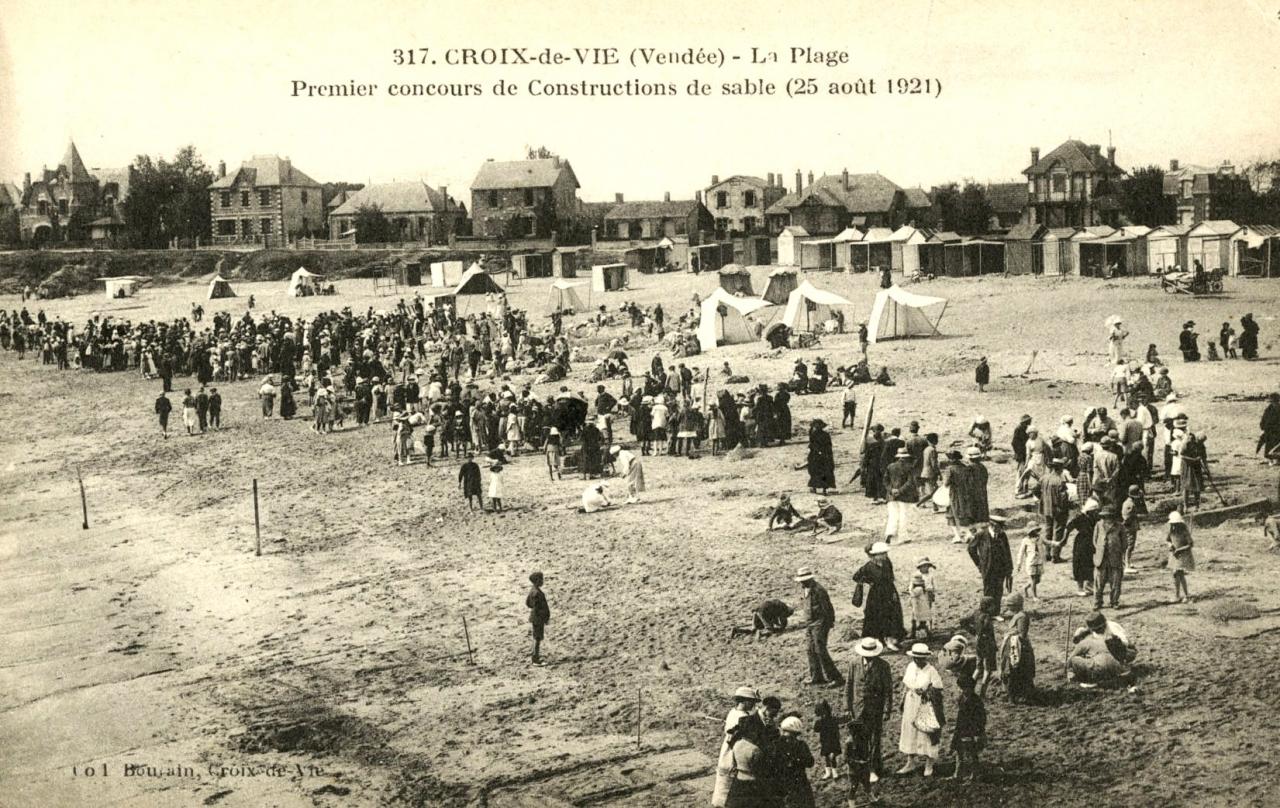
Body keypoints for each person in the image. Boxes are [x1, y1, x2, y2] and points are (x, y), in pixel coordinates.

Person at [843, 636, 893, 786]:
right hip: (858, 708)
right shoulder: (854, 664)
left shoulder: (883, 666)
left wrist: (887, 710)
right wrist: (847, 707)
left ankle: (874, 769)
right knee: (858, 739)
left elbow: (888, 690)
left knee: (874, 740)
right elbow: (849, 686)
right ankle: (860, 767)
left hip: (875, 709)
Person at [896, 643, 946, 777]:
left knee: (926, 732)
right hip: (911, 703)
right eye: (915, 658)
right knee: (910, 731)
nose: (917, 661)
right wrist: (902, 700)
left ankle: (929, 763)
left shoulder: (931, 671)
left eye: (921, 658)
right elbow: (906, 685)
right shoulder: (911, 667)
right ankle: (910, 761)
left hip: (925, 704)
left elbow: (938, 689)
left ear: (925, 658)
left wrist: (926, 692)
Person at [713, 686, 766, 808]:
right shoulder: (740, 717)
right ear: (743, 701)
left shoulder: (734, 712)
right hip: (735, 750)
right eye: (751, 702)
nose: (753, 704)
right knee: (730, 783)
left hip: (733, 748)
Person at [795, 567, 843, 687]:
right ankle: (816, 676)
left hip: (820, 623)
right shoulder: (806, 589)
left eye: (803, 580)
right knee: (810, 650)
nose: (801, 583)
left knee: (820, 650)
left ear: (809, 579)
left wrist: (828, 623)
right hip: (810, 624)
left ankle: (835, 677)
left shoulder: (819, 590)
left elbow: (827, 608)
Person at [852, 542, 905, 650]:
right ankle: (878, 640)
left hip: (889, 592)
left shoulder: (887, 562)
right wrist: (869, 582)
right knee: (877, 617)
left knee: (892, 616)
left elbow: (891, 577)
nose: (885, 555)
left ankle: (891, 639)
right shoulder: (868, 567)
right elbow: (856, 577)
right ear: (875, 555)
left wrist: (894, 593)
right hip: (876, 595)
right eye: (882, 553)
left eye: (885, 553)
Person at [1068, 612, 1135, 688]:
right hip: (1120, 664)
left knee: (1076, 659)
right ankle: (1122, 669)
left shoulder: (1113, 629)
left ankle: (1089, 680)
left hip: (1122, 652)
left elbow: (1126, 644)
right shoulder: (1100, 629)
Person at [948, 672, 986, 782]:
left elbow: (981, 718)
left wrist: (978, 732)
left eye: (965, 688)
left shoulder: (976, 701)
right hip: (961, 729)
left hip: (971, 730)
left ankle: (974, 775)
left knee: (972, 754)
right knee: (959, 753)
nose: (963, 691)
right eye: (962, 688)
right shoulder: (962, 698)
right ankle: (957, 774)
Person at [998, 592, 1036, 704]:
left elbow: (1022, 634)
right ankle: (1014, 694)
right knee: (1010, 670)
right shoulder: (1017, 615)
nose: (1007, 608)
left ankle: (1018, 695)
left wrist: (1011, 634)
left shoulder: (1022, 617)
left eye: (1009, 605)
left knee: (1016, 670)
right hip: (1012, 646)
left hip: (1018, 648)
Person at [1065, 498, 1101, 596]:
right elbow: (1068, 528)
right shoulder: (1080, 518)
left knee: (1090, 563)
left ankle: (1089, 585)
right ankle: (1080, 588)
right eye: (1095, 511)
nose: (1096, 512)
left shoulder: (1095, 518)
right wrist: (1063, 540)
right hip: (1081, 543)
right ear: (1089, 511)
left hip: (1091, 543)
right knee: (1079, 565)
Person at [777, 716, 816, 807]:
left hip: (784, 782)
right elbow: (810, 762)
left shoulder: (776, 744)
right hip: (799, 781)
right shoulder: (801, 745)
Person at [1093, 506, 1126, 609]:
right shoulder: (1098, 525)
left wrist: (1117, 550)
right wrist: (1100, 550)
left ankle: (1114, 601)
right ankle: (1097, 602)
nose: (1107, 518)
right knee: (1099, 582)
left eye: (1109, 516)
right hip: (1101, 558)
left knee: (1115, 581)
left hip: (1115, 557)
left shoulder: (1119, 526)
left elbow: (1124, 543)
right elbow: (1094, 540)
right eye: (1105, 516)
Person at [844, 715, 880, 806]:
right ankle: (851, 804)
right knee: (853, 787)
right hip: (854, 769)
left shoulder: (863, 740)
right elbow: (847, 758)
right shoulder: (849, 743)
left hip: (864, 767)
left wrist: (867, 759)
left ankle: (871, 798)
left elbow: (866, 752)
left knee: (867, 784)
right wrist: (856, 762)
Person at [884, 447, 916, 543]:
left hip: (891, 495)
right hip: (904, 495)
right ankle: (903, 536)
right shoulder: (909, 467)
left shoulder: (890, 466)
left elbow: (885, 481)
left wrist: (891, 490)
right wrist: (900, 490)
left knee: (893, 515)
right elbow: (910, 482)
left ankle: (890, 532)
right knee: (903, 516)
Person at [1166, 511, 1196, 603]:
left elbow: (1190, 544)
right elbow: (1167, 540)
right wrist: (1170, 545)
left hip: (1182, 555)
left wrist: (1180, 550)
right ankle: (1178, 595)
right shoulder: (1171, 531)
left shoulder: (1184, 532)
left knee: (1179, 573)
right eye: (1173, 524)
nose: (1174, 525)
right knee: (1175, 575)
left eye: (1176, 524)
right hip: (1174, 555)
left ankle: (1186, 595)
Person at [730, 599, 794, 639]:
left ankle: (737, 630)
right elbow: (781, 621)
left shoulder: (778, 603)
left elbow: (775, 618)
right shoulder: (783, 609)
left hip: (757, 611)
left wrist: (777, 624)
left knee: (753, 629)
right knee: (769, 630)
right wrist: (781, 627)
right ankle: (761, 633)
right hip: (764, 611)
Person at [908, 557, 936, 640]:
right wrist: (911, 592)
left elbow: (933, 586)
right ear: (920, 567)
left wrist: (930, 591)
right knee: (914, 613)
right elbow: (911, 586)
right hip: (916, 598)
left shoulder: (930, 576)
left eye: (927, 566)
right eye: (923, 566)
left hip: (927, 596)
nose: (925, 568)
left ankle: (926, 628)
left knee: (926, 613)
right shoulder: (916, 576)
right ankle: (913, 631)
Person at [526, 571, 550, 665]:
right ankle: (535, 659)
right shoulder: (537, 593)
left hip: (535, 617)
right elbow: (538, 608)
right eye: (541, 579)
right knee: (538, 637)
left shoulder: (532, 590)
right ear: (537, 581)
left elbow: (528, 603)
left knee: (536, 637)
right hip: (538, 618)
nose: (542, 581)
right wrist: (543, 617)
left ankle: (534, 655)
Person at [814, 700, 841, 782]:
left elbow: (836, 730)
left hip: (833, 740)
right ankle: (828, 772)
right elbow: (816, 729)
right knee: (827, 756)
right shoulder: (820, 721)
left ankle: (834, 771)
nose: (823, 715)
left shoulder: (832, 720)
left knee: (832, 756)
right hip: (825, 741)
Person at [806, 420, 836, 495]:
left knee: (814, 472)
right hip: (825, 456)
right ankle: (824, 490)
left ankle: (815, 488)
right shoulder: (826, 435)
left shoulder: (813, 434)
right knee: (825, 472)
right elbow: (829, 447)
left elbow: (811, 445)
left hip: (815, 456)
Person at [1015, 526, 1044, 601]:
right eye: (1034, 530)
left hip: (1039, 561)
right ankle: (1035, 596)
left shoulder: (1040, 538)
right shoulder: (1025, 540)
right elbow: (1021, 552)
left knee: (1038, 580)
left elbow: (1048, 542)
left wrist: (1057, 543)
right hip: (1031, 562)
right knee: (1033, 579)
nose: (1036, 532)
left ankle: (1026, 587)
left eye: (1036, 530)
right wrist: (1019, 564)